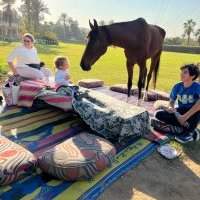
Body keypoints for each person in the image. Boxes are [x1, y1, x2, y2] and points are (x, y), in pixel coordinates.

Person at [151, 63, 200, 143]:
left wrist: (184, 117)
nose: (181, 74)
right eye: (181, 72)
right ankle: (183, 129)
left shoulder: (197, 87)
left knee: (198, 109)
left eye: (185, 72)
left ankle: (189, 133)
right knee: (158, 114)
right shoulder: (177, 86)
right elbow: (172, 101)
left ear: (192, 76)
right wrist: (172, 108)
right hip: (180, 111)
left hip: (193, 113)